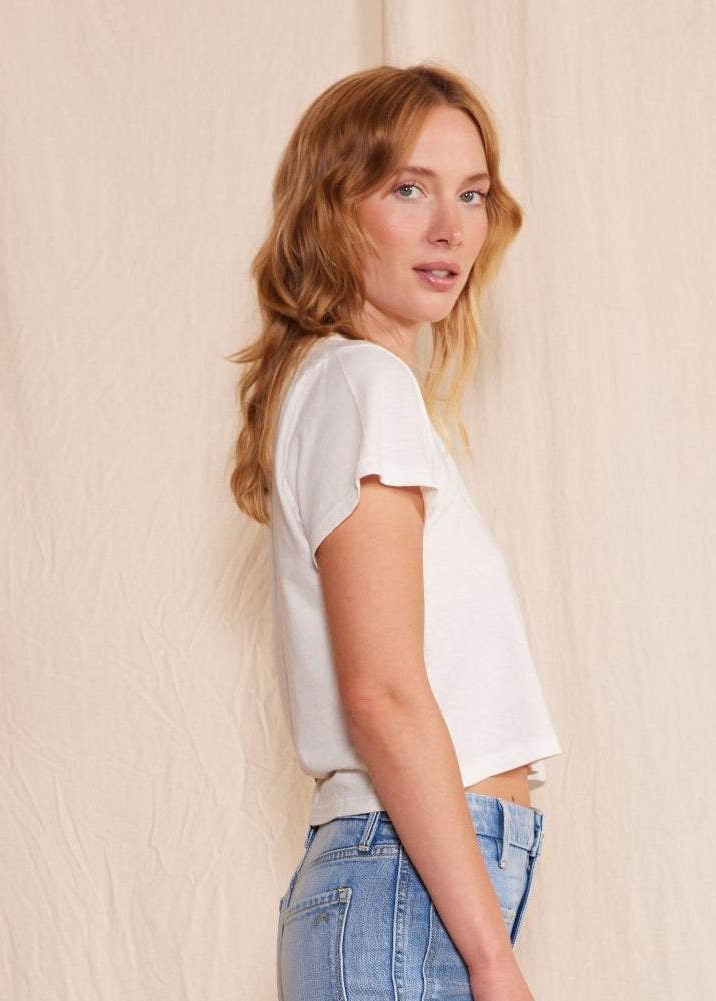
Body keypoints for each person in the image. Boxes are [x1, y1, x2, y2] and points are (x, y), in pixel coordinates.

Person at [230, 64, 561, 1001]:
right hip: (404, 882)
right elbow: (379, 692)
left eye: (472, 195)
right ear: (331, 208)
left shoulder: (341, 387)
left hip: (400, 878)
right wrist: (492, 959)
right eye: (408, 189)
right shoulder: (362, 386)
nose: (449, 227)